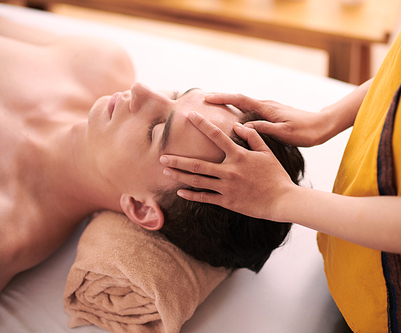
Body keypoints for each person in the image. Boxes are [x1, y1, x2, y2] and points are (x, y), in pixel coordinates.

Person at [159, 0, 401, 331]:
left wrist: (280, 198)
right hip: (356, 274)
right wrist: (329, 118)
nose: (140, 90)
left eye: (155, 132)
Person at [0, 18, 304, 292]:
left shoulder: (9, 227)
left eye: (156, 130)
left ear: (141, 208)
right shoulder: (99, 63)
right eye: (176, 96)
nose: (141, 90)